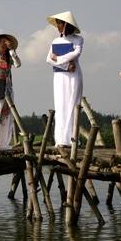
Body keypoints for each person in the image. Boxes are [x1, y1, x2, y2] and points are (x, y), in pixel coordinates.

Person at [45, 11, 83, 147]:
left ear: (67, 24)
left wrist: (58, 58)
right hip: (60, 75)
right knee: (60, 105)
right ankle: (61, 140)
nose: (58, 26)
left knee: (72, 105)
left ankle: (72, 138)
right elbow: (49, 59)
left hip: (74, 75)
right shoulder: (55, 41)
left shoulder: (78, 39)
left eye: (60, 23)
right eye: (57, 24)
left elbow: (76, 53)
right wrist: (66, 65)